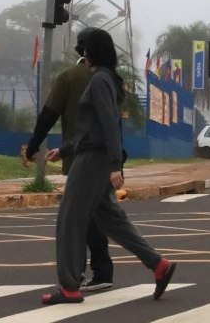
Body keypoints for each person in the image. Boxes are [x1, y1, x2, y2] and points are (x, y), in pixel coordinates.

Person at [41, 28, 176, 305]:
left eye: (84, 51)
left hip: (92, 161)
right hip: (95, 156)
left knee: (69, 220)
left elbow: (108, 124)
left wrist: (116, 165)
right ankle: (158, 265)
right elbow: (93, 128)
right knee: (110, 219)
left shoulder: (100, 80)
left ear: (92, 52)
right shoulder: (106, 78)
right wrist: (65, 149)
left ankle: (69, 287)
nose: (82, 56)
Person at [21, 27, 115, 292]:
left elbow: (48, 116)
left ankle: (79, 275)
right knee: (105, 216)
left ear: (81, 51)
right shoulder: (108, 78)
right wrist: (117, 161)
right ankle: (110, 269)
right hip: (104, 159)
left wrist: (32, 147)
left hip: (80, 159)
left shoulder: (69, 78)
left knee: (76, 219)